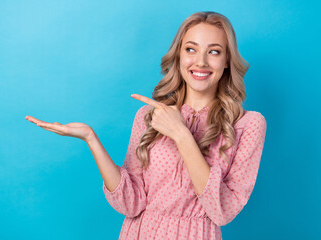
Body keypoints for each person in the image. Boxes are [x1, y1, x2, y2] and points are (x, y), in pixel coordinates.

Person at [25, 11, 267, 240]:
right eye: (191, 49)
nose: (200, 61)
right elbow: (130, 202)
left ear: (227, 60)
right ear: (179, 56)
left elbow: (221, 211)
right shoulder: (149, 116)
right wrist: (90, 138)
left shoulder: (248, 124)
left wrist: (181, 135)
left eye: (213, 52)